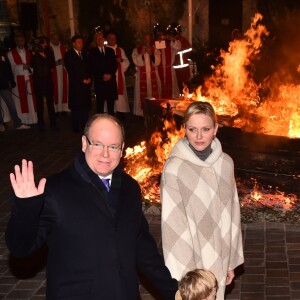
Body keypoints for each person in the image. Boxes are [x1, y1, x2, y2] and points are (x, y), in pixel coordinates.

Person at [5, 113, 178, 300]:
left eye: (113, 146)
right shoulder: (55, 191)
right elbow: (21, 248)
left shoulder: (130, 188)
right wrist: (25, 208)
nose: (105, 154)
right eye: (97, 144)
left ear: (122, 149)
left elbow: (143, 249)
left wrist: (175, 292)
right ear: (84, 143)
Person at [161, 101, 244, 300]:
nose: (199, 136)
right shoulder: (174, 169)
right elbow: (172, 225)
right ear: (184, 129)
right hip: (191, 257)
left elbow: (232, 214)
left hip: (220, 253)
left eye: (205, 129)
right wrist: (187, 275)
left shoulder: (226, 163)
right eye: (192, 129)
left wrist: (230, 261)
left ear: (215, 129)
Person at [7, 32, 37, 124]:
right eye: (18, 41)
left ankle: (33, 119)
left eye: (22, 41)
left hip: (29, 78)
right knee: (21, 102)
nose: (21, 43)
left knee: (31, 101)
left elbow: (34, 65)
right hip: (18, 79)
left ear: (24, 41)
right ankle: (22, 120)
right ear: (16, 42)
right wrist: (22, 66)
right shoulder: (10, 54)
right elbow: (10, 68)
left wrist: (30, 67)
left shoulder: (29, 52)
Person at [64, 34, 92, 132]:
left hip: (85, 85)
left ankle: (84, 125)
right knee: (76, 107)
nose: (81, 45)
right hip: (76, 85)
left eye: (82, 42)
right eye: (79, 42)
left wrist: (89, 78)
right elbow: (71, 70)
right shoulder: (69, 55)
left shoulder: (84, 54)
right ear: (73, 44)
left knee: (85, 106)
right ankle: (75, 126)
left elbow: (88, 67)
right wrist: (81, 79)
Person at [88, 28, 118, 115]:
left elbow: (114, 65)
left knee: (110, 105)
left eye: (101, 38)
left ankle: (111, 123)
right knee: (100, 106)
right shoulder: (92, 52)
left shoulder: (110, 51)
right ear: (96, 41)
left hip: (110, 81)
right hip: (100, 82)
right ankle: (100, 124)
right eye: (98, 39)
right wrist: (102, 75)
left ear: (104, 39)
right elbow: (92, 67)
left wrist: (110, 75)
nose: (100, 40)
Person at [0, 47, 30, 131]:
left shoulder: (2, 52)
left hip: (3, 84)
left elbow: (7, 67)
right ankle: (0, 123)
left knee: (11, 104)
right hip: (3, 83)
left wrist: (11, 81)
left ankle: (17, 123)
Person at [30, 36, 57, 129]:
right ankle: (40, 122)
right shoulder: (34, 52)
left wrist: (44, 56)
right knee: (39, 103)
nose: (43, 45)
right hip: (38, 82)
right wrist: (34, 54)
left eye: (44, 42)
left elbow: (52, 65)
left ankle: (53, 122)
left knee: (50, 103)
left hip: (48, 81)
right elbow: (31, 65)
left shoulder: (49, 51)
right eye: (41, 43)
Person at [132, 33, 161, 116]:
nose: (147, 41)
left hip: (153, 75)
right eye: (145, 40)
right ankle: (141, 113)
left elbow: (157, 62)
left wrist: (151, 54)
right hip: (142, 76)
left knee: (153, 95)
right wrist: (142, 54)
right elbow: (137, 63)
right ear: (142, 40)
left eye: (148, 40)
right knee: (142, 97)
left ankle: (153, 112)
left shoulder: (154, 49)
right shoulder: (136, 50)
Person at [107, 33, 130, 116]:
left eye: (114, 39)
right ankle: (111, 111)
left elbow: (127, 61)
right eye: (111, 38)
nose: (113, 40)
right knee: (110, 93)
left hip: (119, 75)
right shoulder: (105, 49)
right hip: (110, 75)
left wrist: (121, 61)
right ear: (108, 39)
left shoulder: (120, 50)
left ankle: (120, 111)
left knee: (120, 94)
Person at [154, 23, 180, 99]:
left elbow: (177, 46)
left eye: (162, 34)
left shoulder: (172, 43)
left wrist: (170, 39)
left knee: (172, 92)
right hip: (159, 70)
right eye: (159, 34)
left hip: (170, 70)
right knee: (160, 91)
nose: (161, 36)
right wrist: (160, 41)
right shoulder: (157, 43)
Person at [168, 23, 192, 93]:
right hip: (177, 68)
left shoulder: (180, 40)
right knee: (179, 88)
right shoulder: (179, 40)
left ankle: (185, 101)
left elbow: (188, 50)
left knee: (184, 88)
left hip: (182, 68)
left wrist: (180, 54)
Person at [50, 33, 69, 113]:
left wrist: (64, 62)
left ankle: (64, 109)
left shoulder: (64, 48)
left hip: (62, 71)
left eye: (57, 38)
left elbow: (68, 60)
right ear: (51, 39)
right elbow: (46, 62)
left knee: (63, 89)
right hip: (53, 72)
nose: (56, 40)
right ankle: (56, 109)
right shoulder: (49, 49)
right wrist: (54, 63)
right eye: (54, 38)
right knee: (55, 90)